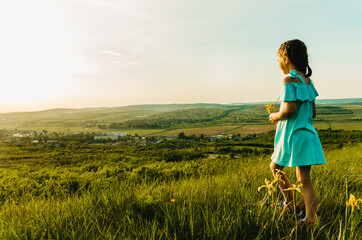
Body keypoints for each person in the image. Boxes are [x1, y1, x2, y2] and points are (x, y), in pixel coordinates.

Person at [268, 39, 326, 225]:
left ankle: (295, 208)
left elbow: (289, 110)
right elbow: (313, 113)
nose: (278, 64)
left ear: (286, 58)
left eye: (278, 60)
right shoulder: (308, 82)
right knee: (304, 180)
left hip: (293, 137)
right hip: (307, 135)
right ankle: (305, 216)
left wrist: (275, 116)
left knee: (275, 168)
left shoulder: (288, 80)